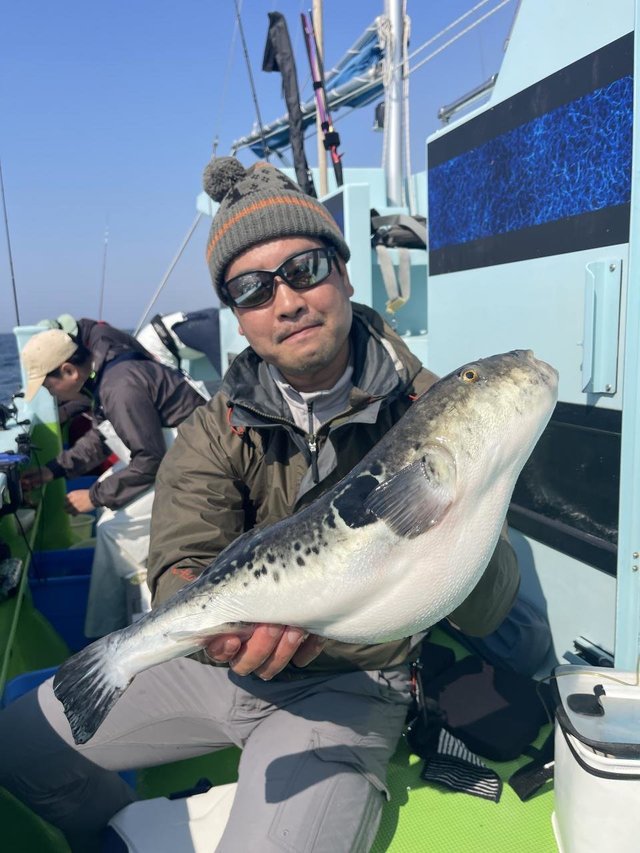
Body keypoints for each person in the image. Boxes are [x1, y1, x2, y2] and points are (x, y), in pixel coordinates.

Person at [0, 159, 520, 853]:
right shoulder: (215, 428)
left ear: (343, 272)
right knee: (18, 744)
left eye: (305, 268)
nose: (287, 300)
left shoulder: (433, 411)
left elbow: (486, 609)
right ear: (238, 317)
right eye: (252, 288)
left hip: (352, 681)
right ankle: (121, 831)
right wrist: (216, 631)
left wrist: (461, 498)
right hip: (217, 666)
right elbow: (181, 556)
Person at [19, 319, 205, 635]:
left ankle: (111, 629)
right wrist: (54, 469)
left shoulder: (119, 386)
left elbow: (149, 459)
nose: (51, 395)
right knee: (108, 513)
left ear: (68, 370)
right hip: (172, 457)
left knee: (110, 530)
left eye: (49, 386)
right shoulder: (103, 371)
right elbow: (105, 434)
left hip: (198, 466)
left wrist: (93, 496)